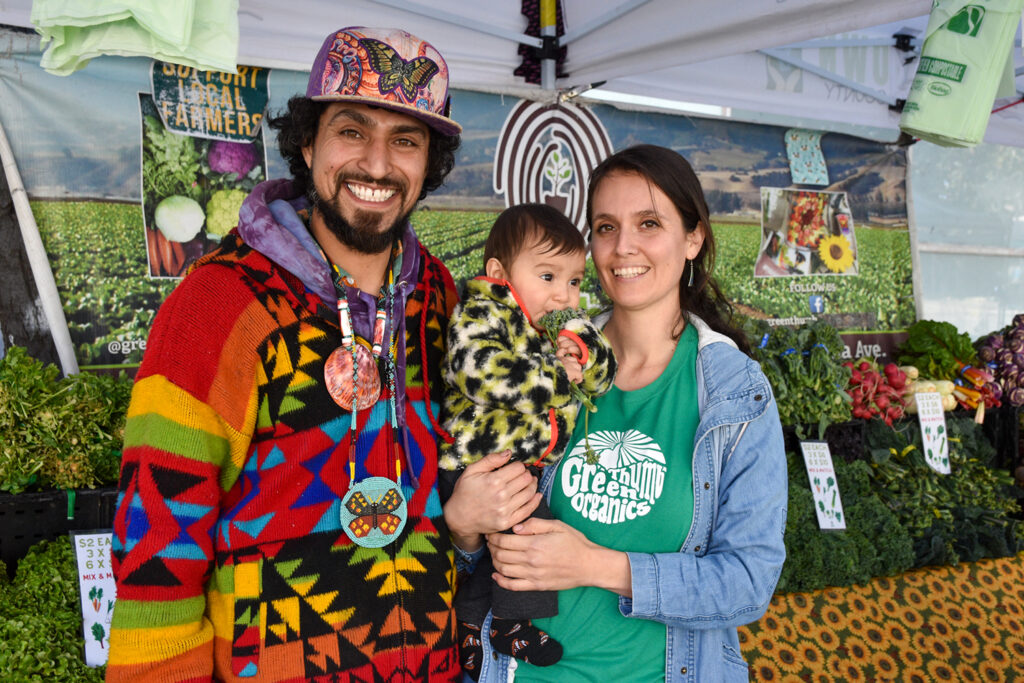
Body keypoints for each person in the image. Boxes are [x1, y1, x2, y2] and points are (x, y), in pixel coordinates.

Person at [106, 26, 539, 683]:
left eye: (406, 140)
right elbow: (156, 546)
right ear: (306, 143)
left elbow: (459, 492)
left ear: (429, 166)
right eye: (351, 130)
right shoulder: (217, 306)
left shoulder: (442, 302)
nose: (377, 163)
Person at [473, 144, 788, 682]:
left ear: (693, 238)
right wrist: (462, 529)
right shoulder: (541, 366)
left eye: (648, 223)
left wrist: (597, 566)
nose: (623, 248)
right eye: (604, 227)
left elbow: (748, 583)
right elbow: (483, 538)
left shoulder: (736, 396)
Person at [438, 204, 617, 677]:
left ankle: (473, 624)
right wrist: (558, 377)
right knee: (530, 541)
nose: (563, 295)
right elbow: (481, 374)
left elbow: (600, 380)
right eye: (547, 276)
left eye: (575, 281)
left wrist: (584, 352)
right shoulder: (482, 313)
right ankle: (512, 626)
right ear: (499, 272)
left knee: (493, 561)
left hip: (518, 467)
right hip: (477, 462)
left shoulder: (555, 329)